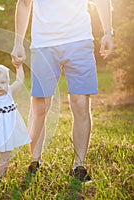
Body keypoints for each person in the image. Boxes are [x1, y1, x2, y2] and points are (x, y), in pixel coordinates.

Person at [11, 0, 114, 182]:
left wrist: (108, 32)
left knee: (81, 103)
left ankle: (79, 165)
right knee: (40, 106)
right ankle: (36, 161)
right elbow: (25, 4)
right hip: (43, 44)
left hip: (79, 41)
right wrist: (18, 42)